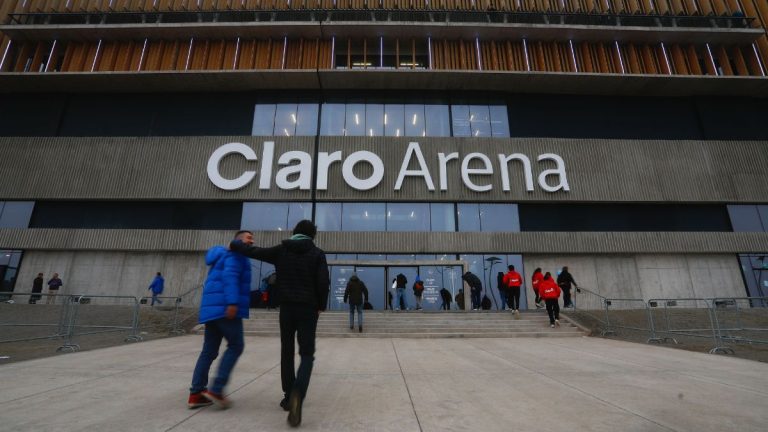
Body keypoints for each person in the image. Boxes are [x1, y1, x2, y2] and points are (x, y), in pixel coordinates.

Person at [230, 220, 330, 428]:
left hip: (286, 308)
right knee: (306, 355)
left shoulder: (281, 250)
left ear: (295, 232)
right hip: (308, 308)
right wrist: (320, 306)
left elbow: (255, 251)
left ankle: (287, 397)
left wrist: (235, 245)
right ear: (313, 235)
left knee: (287, 350)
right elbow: (323, 283)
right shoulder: (317, 253)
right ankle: (297, 395)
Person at [188, 230, 253, 410]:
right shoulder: (237, 254)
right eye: (249, 238)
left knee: (208, 352)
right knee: (236, 345)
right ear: (238, 241)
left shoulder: (220, 254)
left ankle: (196, 394)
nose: (252, 241)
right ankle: (216, 389)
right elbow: (229, 276)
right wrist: (232, 302)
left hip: (212, 309)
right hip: (225, 308)